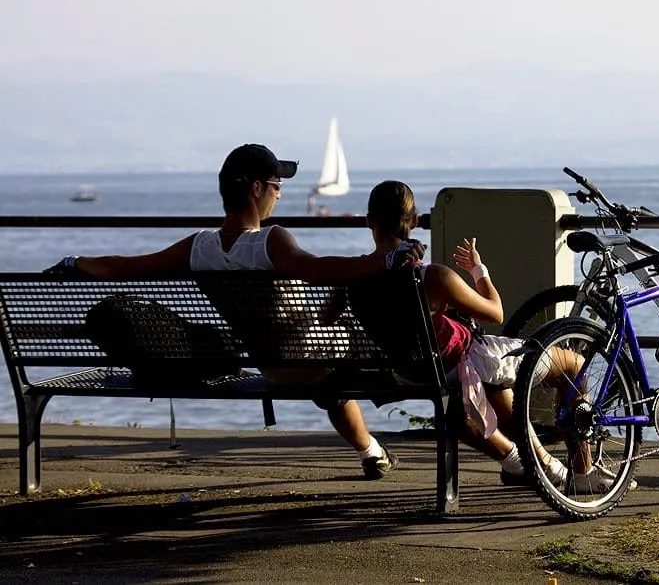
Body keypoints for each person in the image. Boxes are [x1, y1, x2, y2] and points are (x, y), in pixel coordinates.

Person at [44, 144, 423, 481]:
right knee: (358, 329)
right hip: (313, 356)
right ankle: (417, 392)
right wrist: (386, 260)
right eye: (276, 185)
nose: (279, 193)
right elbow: (317, 269)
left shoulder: (199, 246)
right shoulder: (271, 239)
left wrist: (75, 261)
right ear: (256, 188)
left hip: (271, 365)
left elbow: (129, 266)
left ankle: (372, 452)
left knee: (324, 370)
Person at [366, 180, 634, 491]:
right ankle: (583, 472)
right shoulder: (433, 277)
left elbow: (328, 314)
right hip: (460, 361)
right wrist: (479, 271)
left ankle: (534, 466)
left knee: (495, 387)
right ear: (414, 221)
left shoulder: (359, 273)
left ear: (368, 221)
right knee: (572, 365)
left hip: (409, 371)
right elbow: (495, 312)